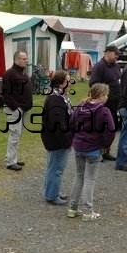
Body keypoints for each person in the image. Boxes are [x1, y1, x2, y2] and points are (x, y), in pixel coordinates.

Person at [67, 83, 116, 221]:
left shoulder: (81, 107)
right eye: (106, 95)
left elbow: (72, 124)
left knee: (79, 176)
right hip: (93, 148)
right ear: (101, 96)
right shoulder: (103, 111)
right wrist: (105, 145)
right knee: (90, 179)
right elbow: (110, 131)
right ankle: (88, 211)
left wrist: (74, 139)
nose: (107, 97)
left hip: (79, 146)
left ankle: (73, 207)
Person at [41, 70, 73, 205]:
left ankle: (52, 191)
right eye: (68, 81)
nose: (70, 84)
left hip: (55, 138)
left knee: (53, 167)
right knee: (56, 168)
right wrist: (66, 140)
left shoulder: (59, 97)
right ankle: (52, 195)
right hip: (57, 140)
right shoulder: (56, 100)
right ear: (62, 83)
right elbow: (59, 124)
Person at [89, 44, 121, 161]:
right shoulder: (99, 67)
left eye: (118, 54)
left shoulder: (116, 66)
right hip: (102, 103)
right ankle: (98, 151)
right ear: (107, 52)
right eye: (115, 54)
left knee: (111, 127)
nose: (117, 56)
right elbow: (93, 84)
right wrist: (101, 96)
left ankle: (106, 150)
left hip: (114, 102)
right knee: (100, 127)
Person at [1, 50, 32, 171]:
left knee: (18, 135)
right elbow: (6, 94)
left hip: (24, 109)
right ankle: (10, 162)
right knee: (14, 134)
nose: (26, 61)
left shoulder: (23, 73)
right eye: (24, 59)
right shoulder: (9, 74)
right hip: (15, 110)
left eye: (26, 58)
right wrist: (16, 108)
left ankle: (13, 157)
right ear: (17, 60)